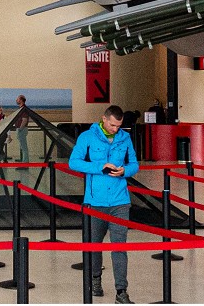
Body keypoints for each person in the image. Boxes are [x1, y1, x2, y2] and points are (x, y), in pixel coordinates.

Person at [69, 104, 139, 305]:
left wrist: (124, 171)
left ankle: (121, 291)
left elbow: (135, 164)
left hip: (120, 201)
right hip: (95, 202)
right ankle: (95, 280)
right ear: (104, 119)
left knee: (119, 247)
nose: (116, 129)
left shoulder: (125, 139)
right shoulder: (87, 137)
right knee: (94, 245)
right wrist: (100, 167)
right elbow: (74, 162)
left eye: (119, 126)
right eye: (113, 125)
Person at [15, 94, 31, 163]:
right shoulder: (21, 108)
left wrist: (20, 129)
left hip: (22, 129)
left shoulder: (23, 109)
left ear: (21, 100)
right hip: (20, 129)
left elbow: (24, 120)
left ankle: (25, 162)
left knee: (24, 147)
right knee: (22, 146)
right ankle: (23, 159)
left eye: (18, 99)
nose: (16, 100)